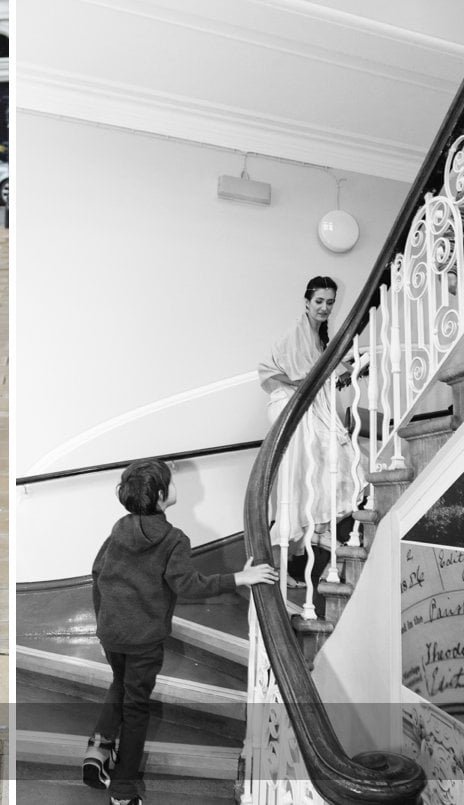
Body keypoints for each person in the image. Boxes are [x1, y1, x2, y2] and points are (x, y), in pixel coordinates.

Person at [84, 459, 277, 804]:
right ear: (161, 496)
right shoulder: (173, 540)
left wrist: (104, 620)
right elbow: (188, 584)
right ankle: (124, 790)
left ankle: (98, 751)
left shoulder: (118, 528)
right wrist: (239, 578)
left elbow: (97, 572)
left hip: (111, 633)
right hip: (143, 640)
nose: (176, 486)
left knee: (119, 683)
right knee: (136, 707)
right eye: (171, 482)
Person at [258, 276, 366, 586]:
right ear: (306, 302)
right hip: (293, 407)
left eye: (330, 302)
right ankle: (282, 557)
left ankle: (318, 530)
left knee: (332, 466)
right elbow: (287, 374)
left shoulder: (318, 337)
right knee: (298, 480)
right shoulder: (298, 333)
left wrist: (345, 368)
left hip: (308, 406)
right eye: (319, 301)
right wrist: (335, 368)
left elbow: (317, 373)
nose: (325, 307)